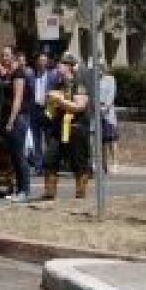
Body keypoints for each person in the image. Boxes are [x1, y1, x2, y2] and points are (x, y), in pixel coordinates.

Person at [41, 55, 93, 200]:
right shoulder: (58, 84)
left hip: (76, 127)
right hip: (58, 127)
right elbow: (52, 108)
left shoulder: (79, 83)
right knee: (50, 158)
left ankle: (80, 192)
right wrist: (50, 101)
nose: (58, 67)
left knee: (79, 161)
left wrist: (60, 101)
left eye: (61, 64)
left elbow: (80, 106)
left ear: (69, 66)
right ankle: (49, 192)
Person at [2, 48, 37, 201]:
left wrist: (11, 120)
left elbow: (18, 98)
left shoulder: (19, 74)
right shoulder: (9, 74)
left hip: (19, 117)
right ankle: (18, 189)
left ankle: (25, 191)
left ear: (14, 57)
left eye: (7, 55)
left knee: (19, 154)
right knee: (13, 155)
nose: (4, 58)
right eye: (3, 55)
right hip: (11, 117)